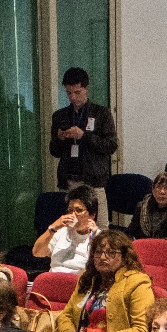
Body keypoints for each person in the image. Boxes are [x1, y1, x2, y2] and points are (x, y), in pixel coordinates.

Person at [55, 230, 155, 332]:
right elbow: (66, 315)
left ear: (124, 257)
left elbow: (143, 331)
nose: (102, 257)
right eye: (98, 252)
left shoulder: (137, 282)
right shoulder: (87, 278)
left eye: (111, 253)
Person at [50, 67, 118, 225]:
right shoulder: (60, 116)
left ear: (86, 89)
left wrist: (84, 136)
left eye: (77, 92)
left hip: (93, 181)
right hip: (69, 181)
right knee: (70, 227)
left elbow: (111, 145)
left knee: (99, 228)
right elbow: (54, 151)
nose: (73, 97)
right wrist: (59, 138)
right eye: (68, 93)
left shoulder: (101, 114)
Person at [34, 184, 102, 274]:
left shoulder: (99, 237)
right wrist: (53, 228)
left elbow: (102, 270)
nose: (73, 215)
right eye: (70, 210)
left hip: (79, 284)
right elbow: (37, 253)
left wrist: (94, 240)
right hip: (54, 280)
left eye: (79, 210)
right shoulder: (60, 231)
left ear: (92, 214)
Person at [126, 172, 167, 245]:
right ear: (153, 190)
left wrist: (152, 244)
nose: (162, 192)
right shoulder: (141, 206)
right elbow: (130, 233)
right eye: (159, 187)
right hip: (142, 250)